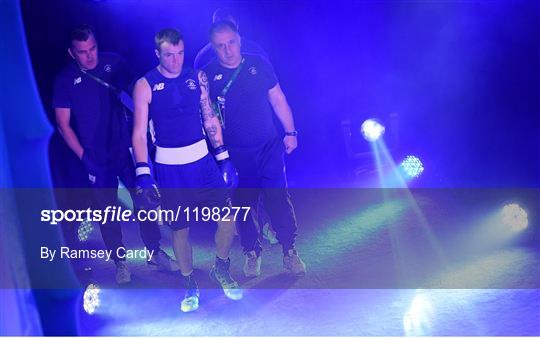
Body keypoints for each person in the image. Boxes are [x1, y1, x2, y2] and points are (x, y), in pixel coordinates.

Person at [53, 25, 178, 285]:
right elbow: (63, 124)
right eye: (83, 52)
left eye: (93, 48)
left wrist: (146, 126)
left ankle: (155, 252)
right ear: (71, 53)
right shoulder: (65, 80)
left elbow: (139, 92)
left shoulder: (114, 63)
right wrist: (84, 157)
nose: (90, 56)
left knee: (145, 202)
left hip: (125, 149)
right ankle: (120, 261)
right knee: (107, 211)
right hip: (95, 157)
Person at [131, 28, 242, 312]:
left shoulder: (197, 77)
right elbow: (139, 134)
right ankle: (189, 282)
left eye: (180, 53)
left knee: (228, 218)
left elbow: (209, 116)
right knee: (180, 230)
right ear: (158, 54)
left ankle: (221, 267)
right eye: (169, 55)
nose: (176, 60)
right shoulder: (145, 84)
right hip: (170, 169)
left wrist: (223, 156)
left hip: (203, 163)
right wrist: (143, 171)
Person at [203, 21, 306, 277]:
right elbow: (208, 117)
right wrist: (220, 154)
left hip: (268, 146)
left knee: (278, 199)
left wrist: (290, 132)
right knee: (243, 205)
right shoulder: (208, 75)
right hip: (236, 154)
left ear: (240, 40)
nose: (228, 50)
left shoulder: (258, 64)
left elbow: (278, 98)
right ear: (213, 48)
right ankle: (252, 252)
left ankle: (289, 251)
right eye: (221, 46)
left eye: (231, 43)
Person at [194, 8, 269, 70]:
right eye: (221, 28)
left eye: (229, 27)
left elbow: (269, 80)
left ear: (237, 25)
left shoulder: (255, 50)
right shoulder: (203, 57)